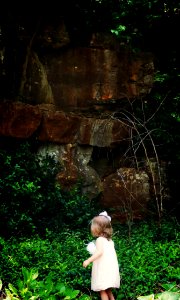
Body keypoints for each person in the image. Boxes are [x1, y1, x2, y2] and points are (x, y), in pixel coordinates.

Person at [83, 211, 120, 300]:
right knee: (108, 290)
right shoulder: (110, 241)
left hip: (103, 270)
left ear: (98, 228)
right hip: (110, 269)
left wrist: (88, 260)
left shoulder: (100, 240)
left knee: (103, 291)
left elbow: (99, 252)